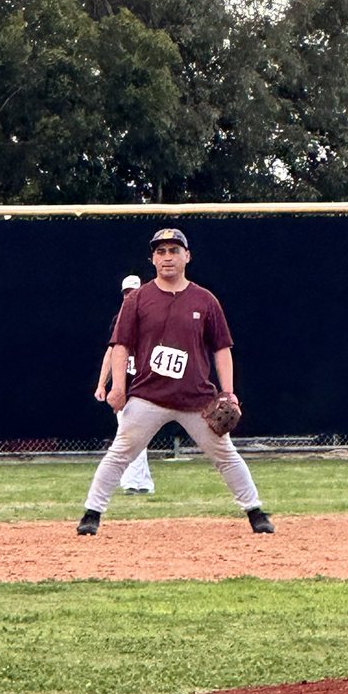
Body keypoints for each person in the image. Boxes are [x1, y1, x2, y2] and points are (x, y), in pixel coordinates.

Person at [77, 227, 274, 535]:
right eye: (160, 252)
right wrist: (117, 387)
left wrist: (228, 393)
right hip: (148, 395)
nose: (167, 257)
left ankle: (255, 512)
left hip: (195, 397)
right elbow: (121, 346)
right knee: (120, 453)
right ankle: (92, 514)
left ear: (187, 256)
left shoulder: (205, 300)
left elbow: (221, 349)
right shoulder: (138, 299)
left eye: (173, 251)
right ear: (152, 259)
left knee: (225, 454)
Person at [93, 274, 155, 495]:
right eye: (127, 293)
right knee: (131, 434)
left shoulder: (152, 318)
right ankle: (140, 483)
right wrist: (102, 384)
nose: (130, 296)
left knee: (132, 435)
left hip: (145, 385)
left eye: (134, 292)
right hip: (125, 387)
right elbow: (111, 354)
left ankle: (136, 483)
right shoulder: (119, 320)